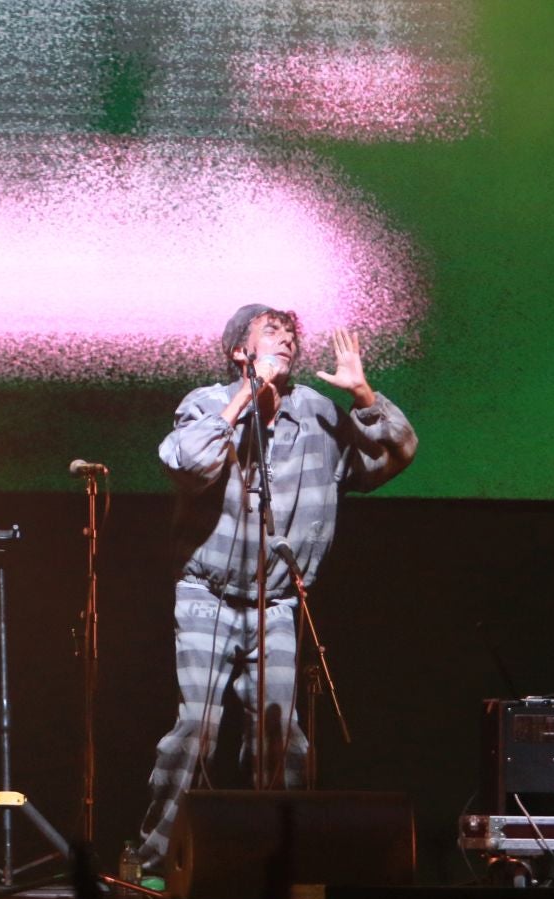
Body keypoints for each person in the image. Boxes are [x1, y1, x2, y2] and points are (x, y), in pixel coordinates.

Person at [136, 305, 416, 868]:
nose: (286, 342)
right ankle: (157, 862)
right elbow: (189, 465)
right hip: (206, 596)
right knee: (197, 730)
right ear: (240, 350)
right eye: (272, 333)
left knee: (281, 738)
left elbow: (394, 456)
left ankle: (279, 863)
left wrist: (363, 396)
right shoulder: (207, 403)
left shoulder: (316, 413)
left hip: (279, 604)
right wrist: (244, 401)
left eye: (291, 335)